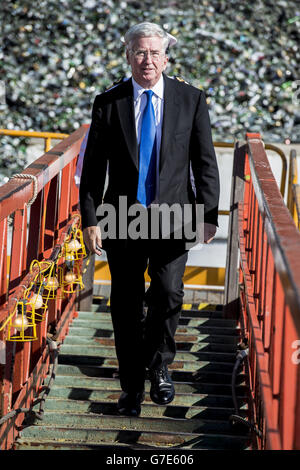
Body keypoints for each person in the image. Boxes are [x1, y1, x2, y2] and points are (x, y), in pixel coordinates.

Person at [79, 22, 220, 417]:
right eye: (140, 52)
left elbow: (204, 161)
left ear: (166, 57)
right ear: (128, 56)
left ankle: (159, 364)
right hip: (122, 216)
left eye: (155, 53)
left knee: (169, 293)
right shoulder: (109, 102)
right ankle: (131, 388)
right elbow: (93, 169)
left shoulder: (190, 99)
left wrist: (208, 214)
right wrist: (90, 218)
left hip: (175, 215)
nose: (147, 60)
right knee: (125, 304)